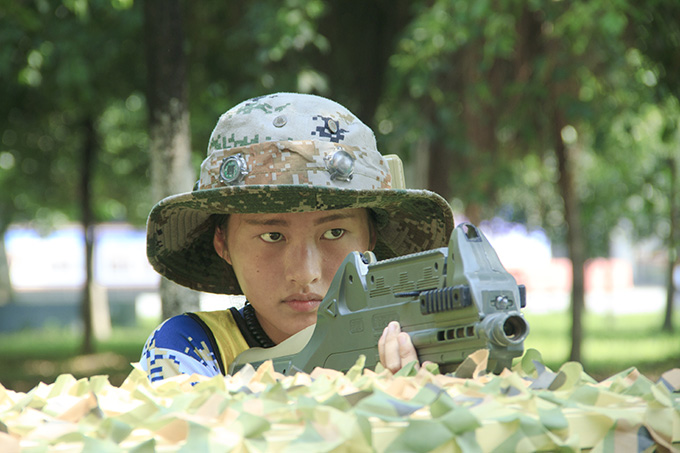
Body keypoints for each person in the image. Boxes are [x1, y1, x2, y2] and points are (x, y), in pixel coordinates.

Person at [140, 92, 454, 382]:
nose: (305, 273)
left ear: (370, 239)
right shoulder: (191, 345)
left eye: (334, 233)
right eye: (272, 235)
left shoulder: (422, 338)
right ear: (222, 244)